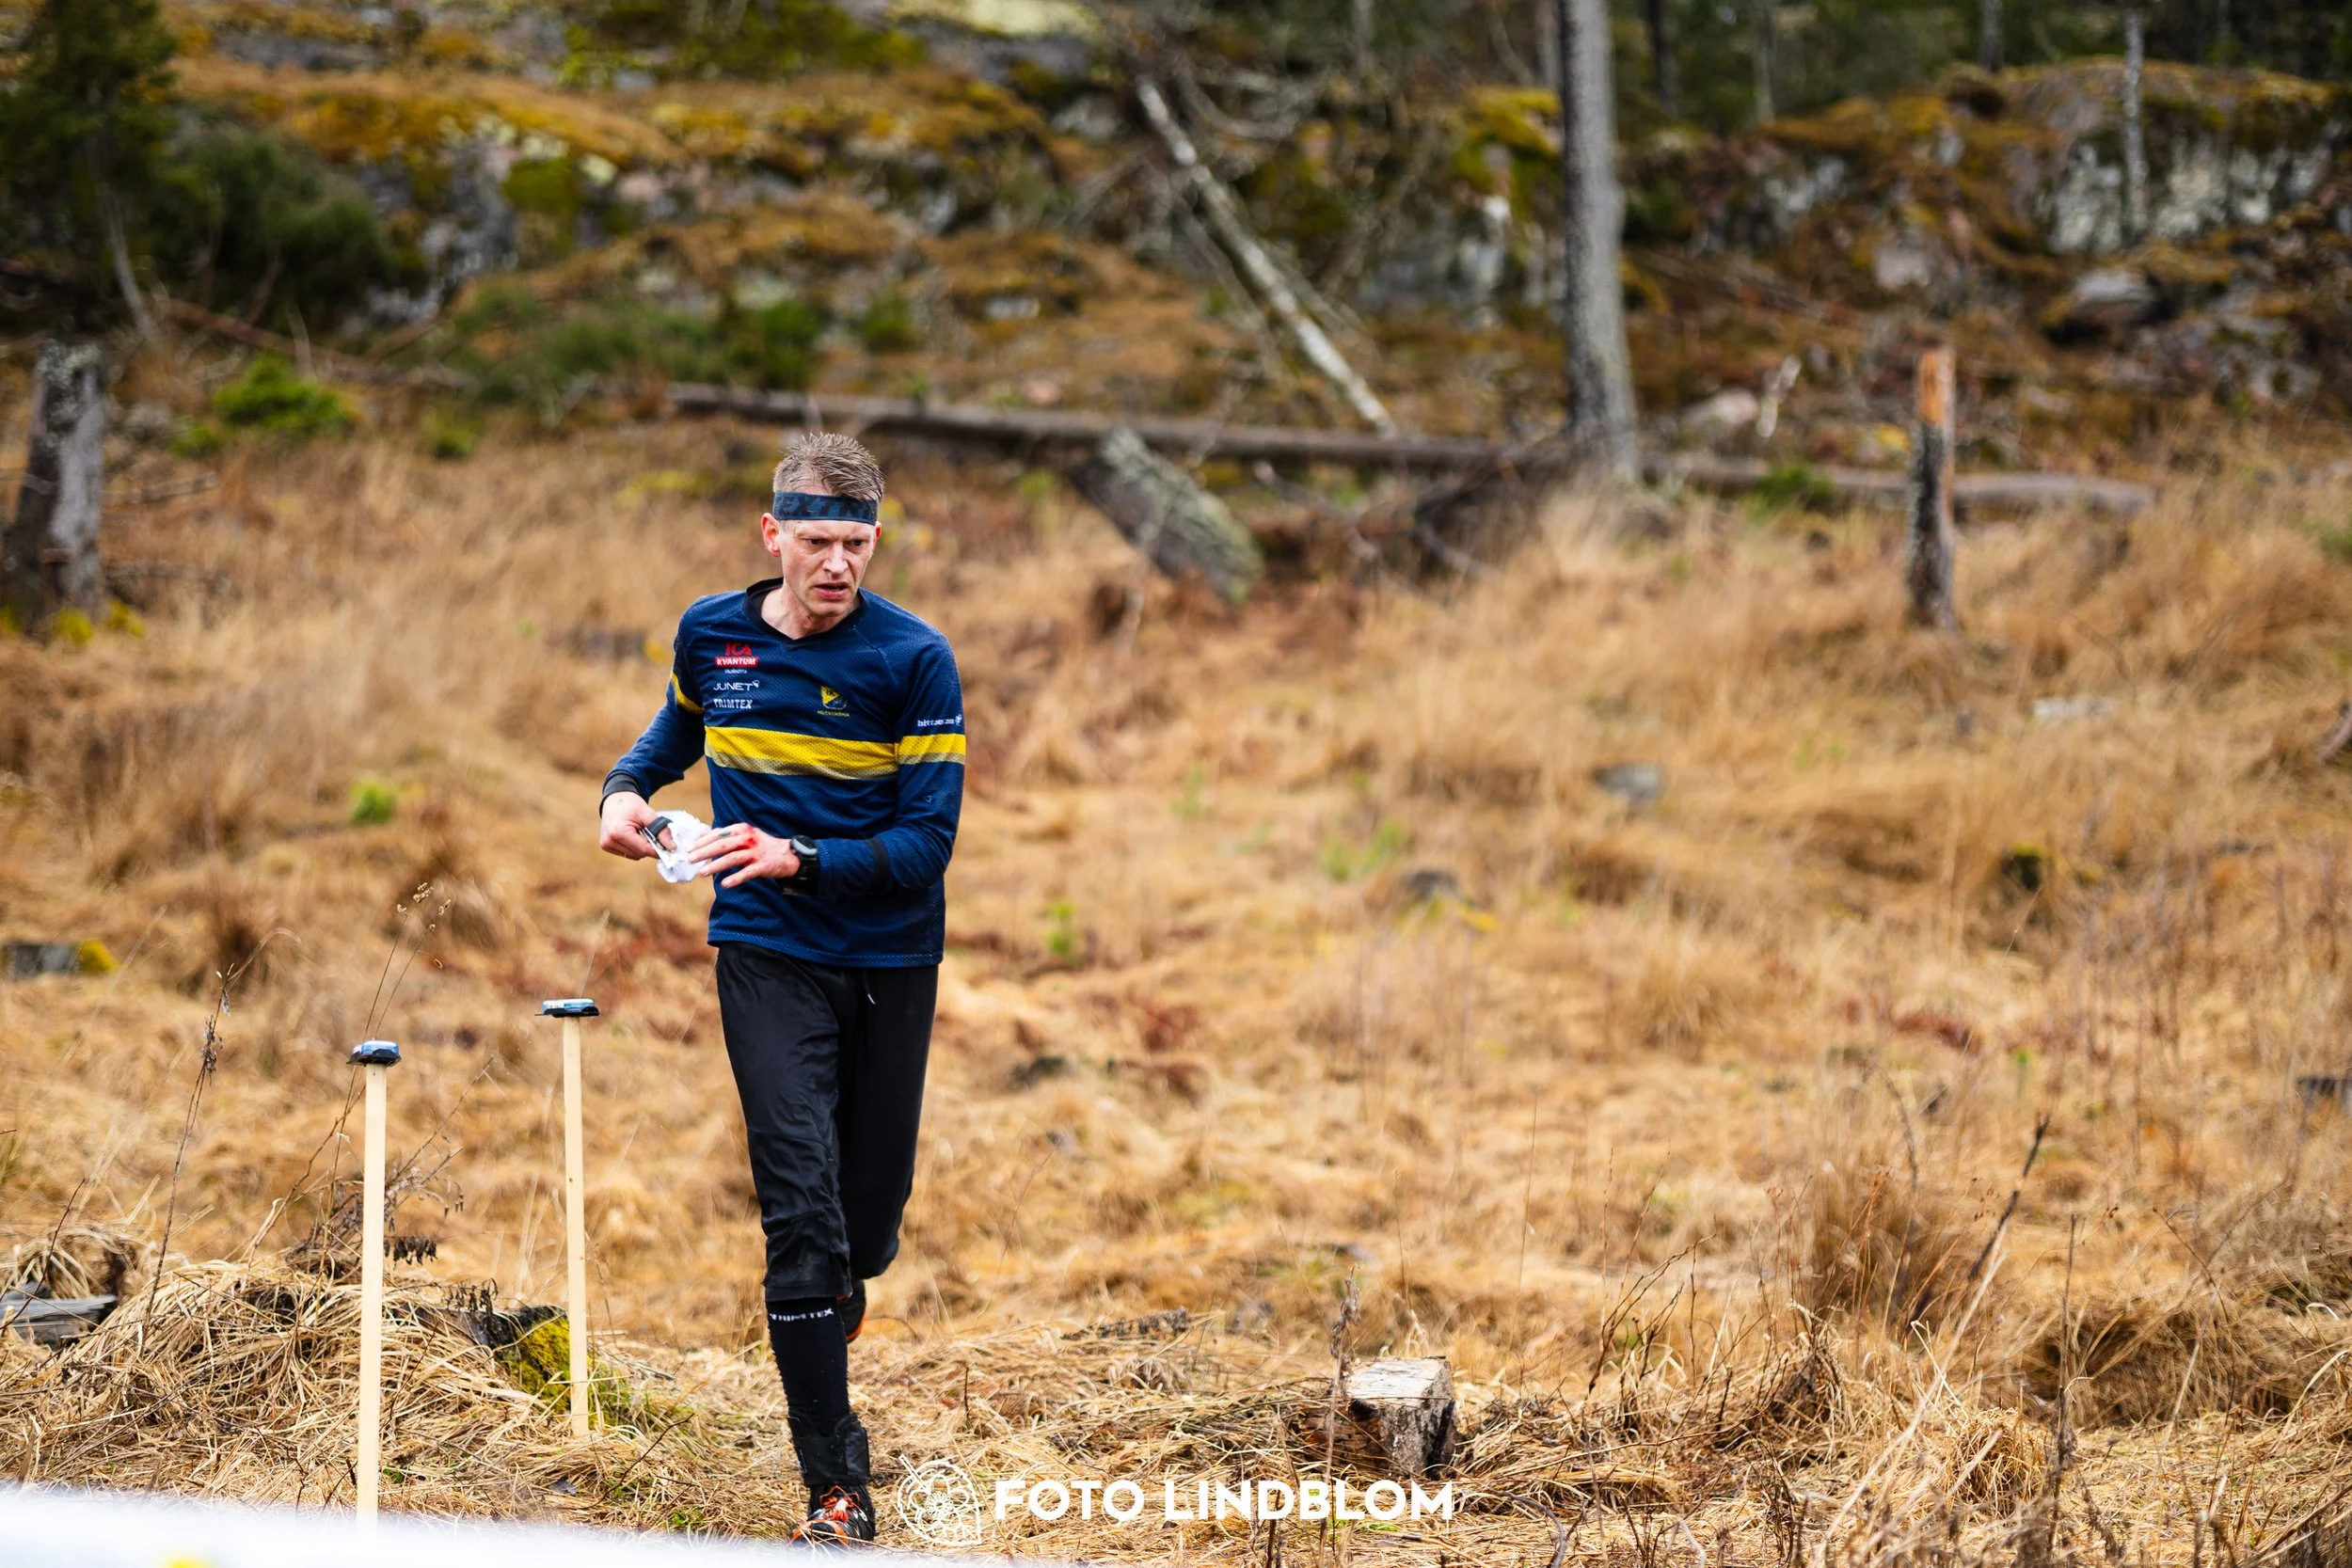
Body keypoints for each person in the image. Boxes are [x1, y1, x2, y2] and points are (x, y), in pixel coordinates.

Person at [596, 432, 963, 1544]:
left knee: (863, 1225)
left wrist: (801, 851)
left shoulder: (914, 659)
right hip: (762, 950)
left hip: (889, 957)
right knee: (798, 1207)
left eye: (856, 543)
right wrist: (623, 791)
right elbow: (672, 735)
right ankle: (836, 1488)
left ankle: (843, 1282)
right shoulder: (713, 634)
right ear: (773, 535)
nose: (837, 564)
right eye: (816, 541)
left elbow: (926, 842)